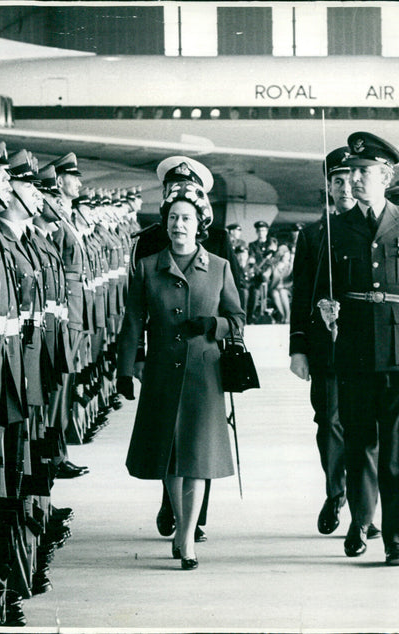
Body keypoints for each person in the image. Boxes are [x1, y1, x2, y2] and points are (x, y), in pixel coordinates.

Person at [322, 131, 399, 566]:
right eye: (351, 172)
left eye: (363, 172)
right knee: (358, 446)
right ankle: (361, 520)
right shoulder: (336, 228)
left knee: (396, 452)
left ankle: (396, 540)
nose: (354, 179)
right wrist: (323, 312)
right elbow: (320, 287)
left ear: (385, 176)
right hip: (352, 351)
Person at [116, 178, 244, 570]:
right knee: (169, 458)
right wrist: (125, 367)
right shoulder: (147, 269)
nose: (179, 225)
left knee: (199, 458)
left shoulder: (219, 267)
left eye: (186, 218)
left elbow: (238, 319)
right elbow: (133, 322)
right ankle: (181, 528)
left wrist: (214, 326)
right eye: (173, 218)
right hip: (161, 374)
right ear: (166, 223)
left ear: (199, 224)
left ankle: (186, 536)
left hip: (204, 376)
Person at [289, 146, 380, 539]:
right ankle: (335, 492)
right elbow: (300, 295)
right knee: (329, 424)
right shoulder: (312, 236)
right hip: (327, 348)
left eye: (350, 180)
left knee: (364, 428)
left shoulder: (373, 230)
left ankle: (364, 510)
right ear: (328, 187)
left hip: (364, 348)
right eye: (337, 181)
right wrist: (298, 347)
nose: (345, 188)